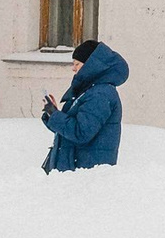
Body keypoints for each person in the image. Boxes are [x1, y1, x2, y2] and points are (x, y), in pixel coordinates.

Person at [41, 38, 128, 172]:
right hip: (77, 171)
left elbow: (81, 133)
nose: (73, 68)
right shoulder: (88, 91)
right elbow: (69, 131)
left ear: (90, 65)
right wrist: (53, 113)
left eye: (77, 64)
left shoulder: (100, 95)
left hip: (86, 175)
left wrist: (55, 115)